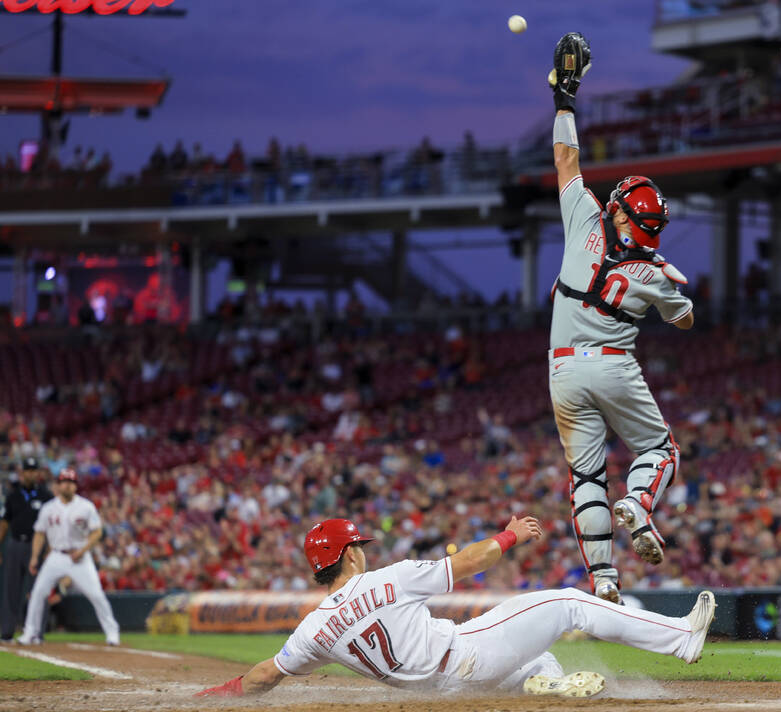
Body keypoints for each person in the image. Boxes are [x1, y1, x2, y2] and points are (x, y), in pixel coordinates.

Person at [195, 516, 715, 699]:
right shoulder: (388, 579)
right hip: (466, 655)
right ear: (350, 552)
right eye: (360, 545)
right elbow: (466, 563)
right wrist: (509, 536)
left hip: (445, 687)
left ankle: (544, 684)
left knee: (535, 659)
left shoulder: (313, 631)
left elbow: (266, 675)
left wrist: (226, 691)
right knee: (567, 602)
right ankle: (680, 637)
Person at [546, 32, 695, 603]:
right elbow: (684, 321)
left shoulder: (585, 217)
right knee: (659, 452)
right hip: (613, 366)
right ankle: (637, 501)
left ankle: (604, 579)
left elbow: (566, 158)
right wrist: (664, 289)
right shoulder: (657, 272)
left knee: (586, 478)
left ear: (616, 209)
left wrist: (566, 99)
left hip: (562, 371)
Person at [17, 468, 119, 646]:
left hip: (80, 556)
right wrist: (34, 557)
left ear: (75, 486)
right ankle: (30, 633)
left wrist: (83, 549)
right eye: (64, 481)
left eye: (71, 482)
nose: (68, 485)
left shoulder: (86, 506)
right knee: (38, 593)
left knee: (96, 595)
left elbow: (97, 532)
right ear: (58, 484)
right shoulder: (48, 508)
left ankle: (112, 633)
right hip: (56, 556)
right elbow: (39, 533)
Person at [0, 458, 50, 643]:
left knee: (40, 589)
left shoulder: (46, 495)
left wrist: (49, 548)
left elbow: (52, 524)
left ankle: (37, 632)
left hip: (36, 546)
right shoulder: (13, 496)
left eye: (33, 470)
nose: (31, 473)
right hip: (14, 544)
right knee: (11, 590)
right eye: (28, 470)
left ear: (38, 473)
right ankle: (7, 632)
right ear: (22, 473)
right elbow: (4, 523)